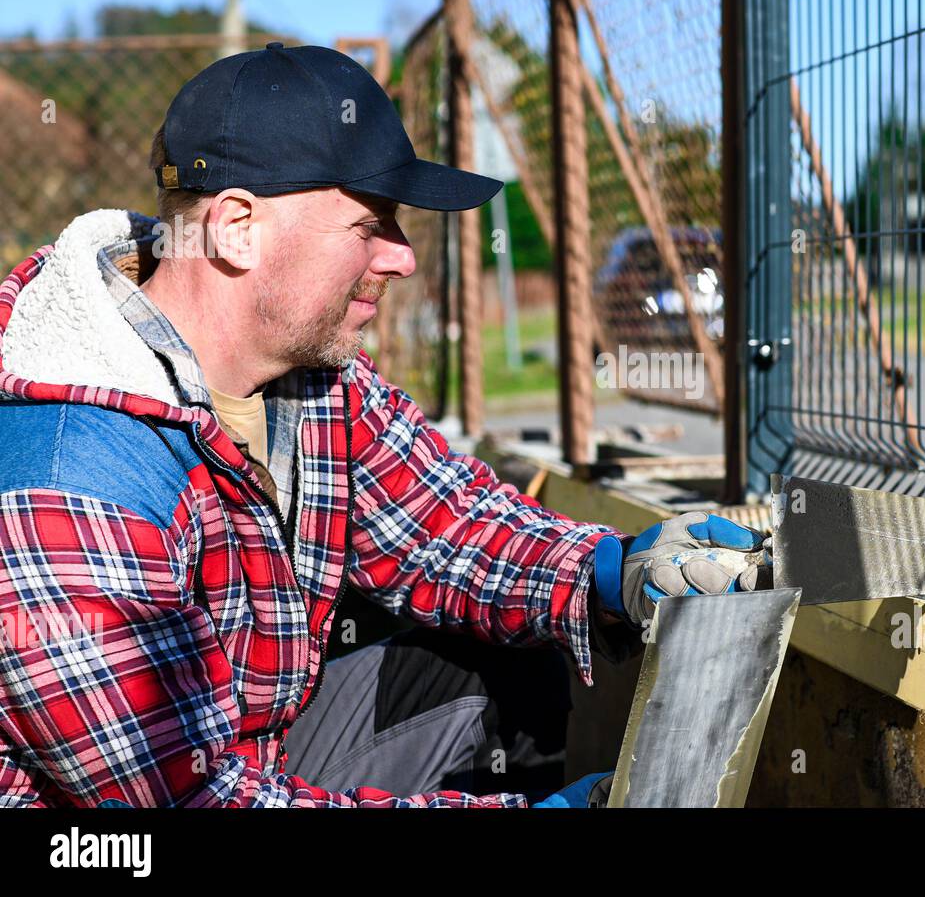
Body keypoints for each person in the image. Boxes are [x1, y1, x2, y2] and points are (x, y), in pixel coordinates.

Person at [0, 43, 764, 808]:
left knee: (508, 652)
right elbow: (197, 801)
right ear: (236, 228)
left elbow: (443, 523)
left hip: (246, 750)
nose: (401, 257)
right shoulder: (70, 476)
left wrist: (607, 570)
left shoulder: (304, 373)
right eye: (372, 224)